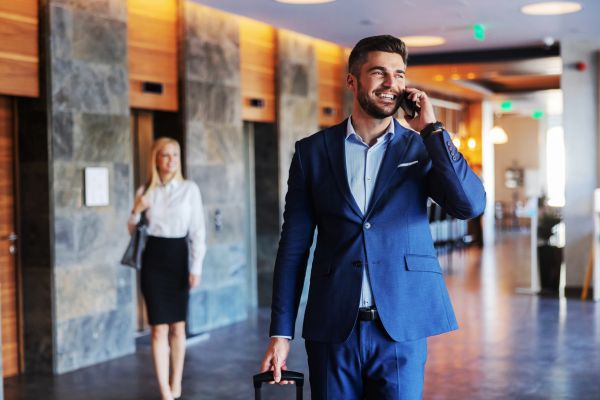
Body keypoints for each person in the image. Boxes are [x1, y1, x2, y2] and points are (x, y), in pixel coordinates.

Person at [260, 35, 486, 399]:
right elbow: (293, 248)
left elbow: (469, 206)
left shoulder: (422, 147)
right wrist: (280, 333)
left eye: (398, 75)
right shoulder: (312, 153)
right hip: (333, 328)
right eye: (378, 73)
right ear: (352, 80)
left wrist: (432, 130)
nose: (391, 84)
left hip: (401, 326)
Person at [128, 137, 206, 400]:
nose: (171, 159)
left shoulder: (189, 189)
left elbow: (198, 232)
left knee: (178, 326)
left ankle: (176, 381)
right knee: (159, 327)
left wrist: (196, 266)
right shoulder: (145, 191)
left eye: (175, 154)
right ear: (156, 160)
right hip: (153, 260)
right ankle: (165, 391)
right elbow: (132, 231)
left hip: (178, 257)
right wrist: (136, 210)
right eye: (165, 155)